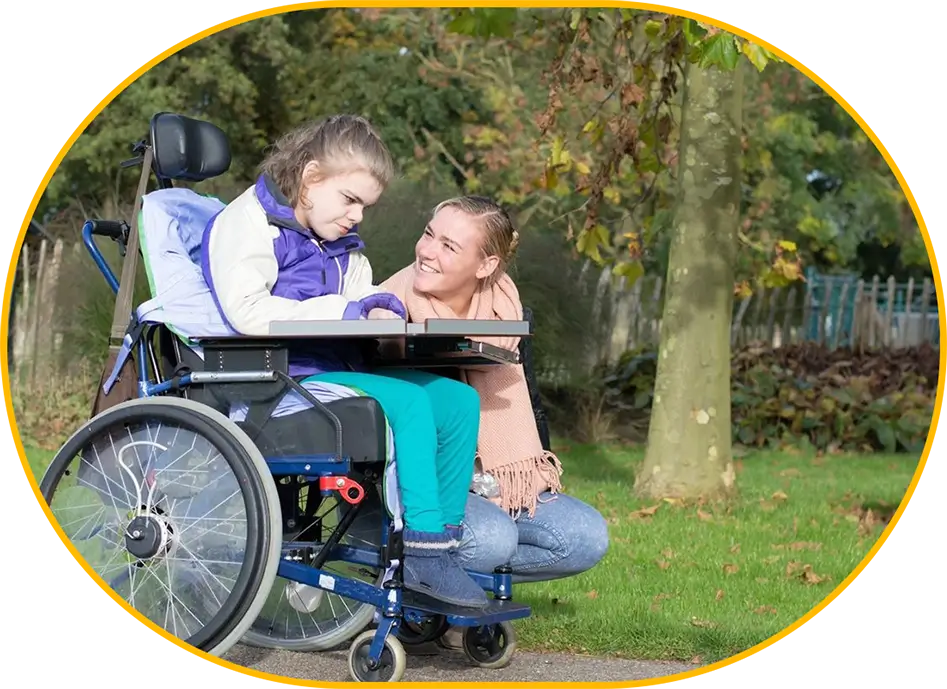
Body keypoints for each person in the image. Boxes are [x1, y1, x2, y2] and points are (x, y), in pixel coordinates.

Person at [200, 115, 488, 609]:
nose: (357, 216)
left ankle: (444, 541)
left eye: (365, 206)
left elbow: (358, 295)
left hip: (338, 370)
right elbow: (245, 313)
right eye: (350, 200)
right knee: (412, 404)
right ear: (311, 178)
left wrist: (379, 305)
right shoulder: (247, 223)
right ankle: (422, 553)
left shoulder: (336, 238)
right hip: (278, 382)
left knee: (458, 400)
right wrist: (344, 310)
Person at [380, 195, 610, 594]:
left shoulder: (505, 312)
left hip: (494, 482)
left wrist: (505, 483)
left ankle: (447, 594)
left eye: (449, 246)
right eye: (429, 234)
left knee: (586, 537)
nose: (427, 251)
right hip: (416, 492)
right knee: (493, 538)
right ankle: (426, 592)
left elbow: (530, 407)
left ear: (485, 266)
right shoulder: (385, 311)